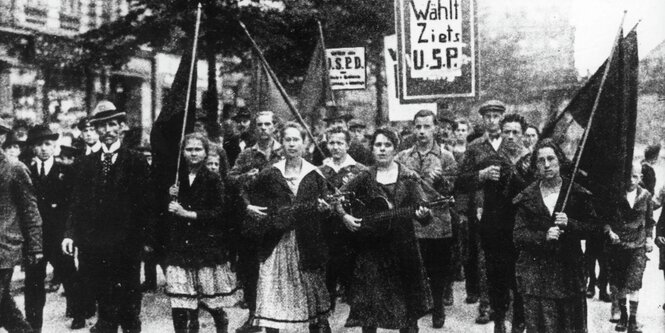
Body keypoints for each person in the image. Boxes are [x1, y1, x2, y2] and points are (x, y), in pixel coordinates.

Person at [62, 100, 155, 332]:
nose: (107, 131)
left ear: (122, 126)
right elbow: (77, 202)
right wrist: (70, 234)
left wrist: (146, 240)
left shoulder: (136, 161)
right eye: (101, 126)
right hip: (95, 245)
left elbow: (146, 204)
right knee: (104, 300)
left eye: (112, 124)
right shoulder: (85, 163)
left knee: (129, 303)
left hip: (126, 245)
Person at [338, 128, 433, 333]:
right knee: (370, 307)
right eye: (378, 145)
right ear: (372, 149)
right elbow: (338, 198)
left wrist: (423, 213)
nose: (382, 150)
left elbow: (425, 212)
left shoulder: (408, 176)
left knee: (407, 309)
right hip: (372, 249)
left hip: (403, 248)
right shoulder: (365, 176)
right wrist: (345, 216)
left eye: (387, 145)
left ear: (395, 149)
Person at [244, 122, 332, 332]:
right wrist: (249, 207)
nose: (292, 144)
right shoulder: (270, 173)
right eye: (287, 140)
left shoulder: (315, 175)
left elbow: (328, 208)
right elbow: (245, 190)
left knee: (311, 299)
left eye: (296, 140)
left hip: (306, 245)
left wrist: (325, 209)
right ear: (281, 143)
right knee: (273, 296)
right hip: (275, 244)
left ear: (305, 143)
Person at [513, 139, 606, 333]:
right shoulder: (527, 197)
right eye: (540, 160)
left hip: (568, 275)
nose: (546, 165)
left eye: (551, 158)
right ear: (535, 165)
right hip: (537, 278)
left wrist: (570, 224)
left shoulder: (576, 194)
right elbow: (519, 235)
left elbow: (596, 229)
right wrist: (543, 236)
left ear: (559, 161)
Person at [458, 103, 528, 333]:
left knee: (519, 276)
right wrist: (481, 175)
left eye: (514, 132)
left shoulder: (530, 159)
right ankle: (498, 319)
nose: (509, 136)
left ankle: (518, 320)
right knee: (495, 273)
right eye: (507, 132)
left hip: (522, 225)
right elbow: (460, 180)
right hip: (493, 223)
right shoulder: (481, 151)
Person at [165, 133, 238, 333]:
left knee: (210, 299)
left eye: (198, 149)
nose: (193, 154)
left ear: (206, 153)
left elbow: (219, 212)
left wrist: (188, 213)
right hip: (181, 246)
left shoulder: (213, 179)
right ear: (182, 152)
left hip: (205, 246)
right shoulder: (176, 179)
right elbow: (166, 212)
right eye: (189, 150)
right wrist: (170, 197)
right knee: (180, 301)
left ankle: (221, 325)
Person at [395, 109, 457, 327]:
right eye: (418, 127)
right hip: (411, 223)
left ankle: (438, 306)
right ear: (413, 128)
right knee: (411, 270)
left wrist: (440, 182)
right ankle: (413, 312)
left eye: (427, 126)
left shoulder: (446, 157)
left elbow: (452, 192)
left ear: (435, 129)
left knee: (437, 270)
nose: (422, 131)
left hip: (438, 223)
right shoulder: (402, 157)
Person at [25, 125, 88, 330]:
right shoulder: (27, 172)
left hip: (59, 236)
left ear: (55, 147)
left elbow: (73, 206)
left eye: (48, 144)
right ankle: (34, 325)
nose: (43, 149)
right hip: (35, 238)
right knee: (34, 282)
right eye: (39, 145)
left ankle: (78, 313)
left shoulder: (65, 171)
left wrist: (69, 235)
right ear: (33, 148)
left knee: (69, 275)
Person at [227, 111, 284, 333]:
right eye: (259, 124)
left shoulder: (283, 150)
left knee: (276, 271)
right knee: (251, 272)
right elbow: (230, 179)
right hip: (253, 218)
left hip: (279, 218)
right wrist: (245, 178)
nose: (263, 128)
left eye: (267, 124)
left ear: (274, 127)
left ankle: (274, 320)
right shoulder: (247, 154)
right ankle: (253, 315)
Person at [318, 126, 367, 311]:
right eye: (332, 143)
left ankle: (356, 310)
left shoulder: (360, 170)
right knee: (328, 269)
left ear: (348, 145)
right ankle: (326, 310)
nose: (335, 147)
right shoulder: (320, 171)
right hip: (329, 228)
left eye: (340, 143)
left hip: (351, 228)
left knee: (353, 268)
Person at [0, 120, 42, 332]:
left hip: (4, 249)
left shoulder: (15, 169)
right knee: (4, 307)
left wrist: (35, 247)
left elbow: (30, 210)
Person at [605, 163, 655, 333]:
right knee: (619, 282)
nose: (631, 180)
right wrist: (610, 232)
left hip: (638, 245)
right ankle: (624, 316)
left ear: (640, 177)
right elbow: (606, 220)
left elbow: (649, 221)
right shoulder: (615, 195)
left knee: (634, 283)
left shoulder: (646, 196)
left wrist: (649, 239)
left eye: (635, 176)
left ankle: (633, 320)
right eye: (629, 176)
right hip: (619, 245)